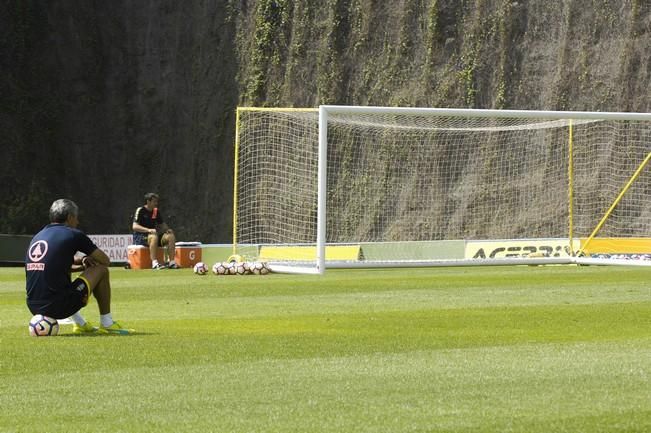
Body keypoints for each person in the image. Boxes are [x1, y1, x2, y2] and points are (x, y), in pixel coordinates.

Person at [25, 199, 134, 335]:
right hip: (58, 306)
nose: (77, 222)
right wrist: (90, 264)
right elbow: (105, 260)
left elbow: (56, 265)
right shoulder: (73, 234)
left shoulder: (38, 236)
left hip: (33, 306)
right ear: (70, 217)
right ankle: (107, 323)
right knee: (101, 269)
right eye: (76, 218)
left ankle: (80, 323)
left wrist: (82, 261)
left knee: (58, 281)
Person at [132, 192, 178, 269]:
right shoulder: (140, 210)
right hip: (140, 237)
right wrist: (148, 230)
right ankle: (155, 263)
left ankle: (172, 263)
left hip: (154, 235)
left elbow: (162, 224)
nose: (156, 203)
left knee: (171, 236)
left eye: (157, 201)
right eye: (154, 201)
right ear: (148, 201)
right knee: (154, 236)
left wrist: (167, 230)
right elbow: (134, 226)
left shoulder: (155, 211)